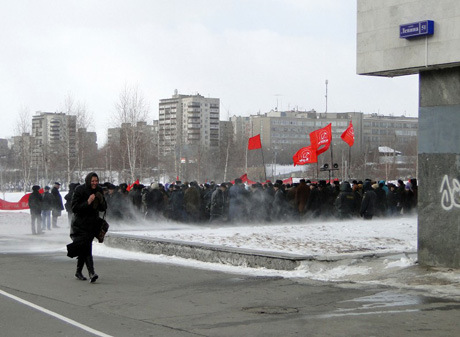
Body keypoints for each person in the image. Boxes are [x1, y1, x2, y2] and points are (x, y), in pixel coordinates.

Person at [70, 172, 107, 283]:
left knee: (84, 247)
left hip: (92, 223)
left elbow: (103, 208)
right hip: (80, 224)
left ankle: (78, 271)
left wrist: (101, 200)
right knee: (86, 247)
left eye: (96, 181)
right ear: (88, 181)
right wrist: (88, 202)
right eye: (92, 181)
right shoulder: (79, 190)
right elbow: (74, 208)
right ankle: (91, 272)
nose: (95, 183)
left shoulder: (99, 190)